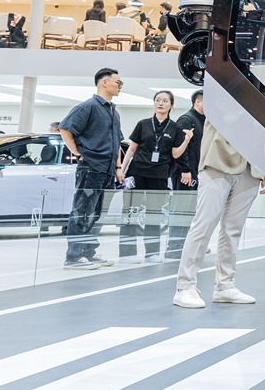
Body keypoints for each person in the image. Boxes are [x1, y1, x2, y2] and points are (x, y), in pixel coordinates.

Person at [173, 69, 265, 309]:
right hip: (218, 163)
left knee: (232, 231)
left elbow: (264, 129)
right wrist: (262, 89)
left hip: (250, 167)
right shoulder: (222, 85)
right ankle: (184, 286)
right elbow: (231, 116)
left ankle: (224, 286)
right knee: (204, 224)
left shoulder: (258, 93)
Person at [58, 68, 124, 269]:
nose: (119, 86)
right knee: (82, 211)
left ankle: (88, 252)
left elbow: (118, 142)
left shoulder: (114, 111)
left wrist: (118, 167)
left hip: (107, 171)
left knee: (97, 214)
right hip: (91, 169)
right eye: (117, 82)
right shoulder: (88, 106)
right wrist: (79, 153)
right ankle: (73, 257)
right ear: (104, 82)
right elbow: (65, 128)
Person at [117, 91, 194, 263]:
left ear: (171, 105)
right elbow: (131, 149)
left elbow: (175, 154)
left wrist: (186, 140)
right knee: (130, 213)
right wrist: (121, 168)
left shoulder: (174, 128)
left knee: (154, 214)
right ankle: (127, 254)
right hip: (136, 173)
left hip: (159, 175)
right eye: (157, 100)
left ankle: (152, 253)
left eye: (165, 101)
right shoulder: (143, 124)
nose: (160, 103)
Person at [166, 90, 204, 260]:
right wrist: (185, 170)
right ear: (197, 102)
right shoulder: (187, 119)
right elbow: (180, 148)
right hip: (185, 173)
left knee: (191, 210)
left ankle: (186, 245)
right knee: (181, 209)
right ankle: (174, 247)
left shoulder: (203, 120)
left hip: (196, 172)